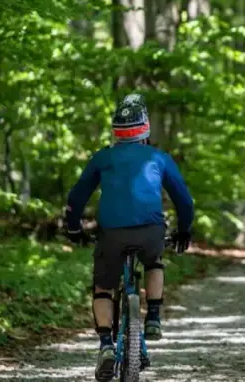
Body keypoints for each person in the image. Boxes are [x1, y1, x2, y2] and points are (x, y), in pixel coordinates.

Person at [64, 93, 194, 382]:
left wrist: (74, 228)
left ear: (116, 130)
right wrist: (184, 230)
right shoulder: (159, 158)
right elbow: (184, 201)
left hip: (111, 235)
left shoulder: (103, 158)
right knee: (154, 262)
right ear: (145, 127)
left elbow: (76, 197)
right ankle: (154, 318)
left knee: (102, 288)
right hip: (150, 233)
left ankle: (106, 345)